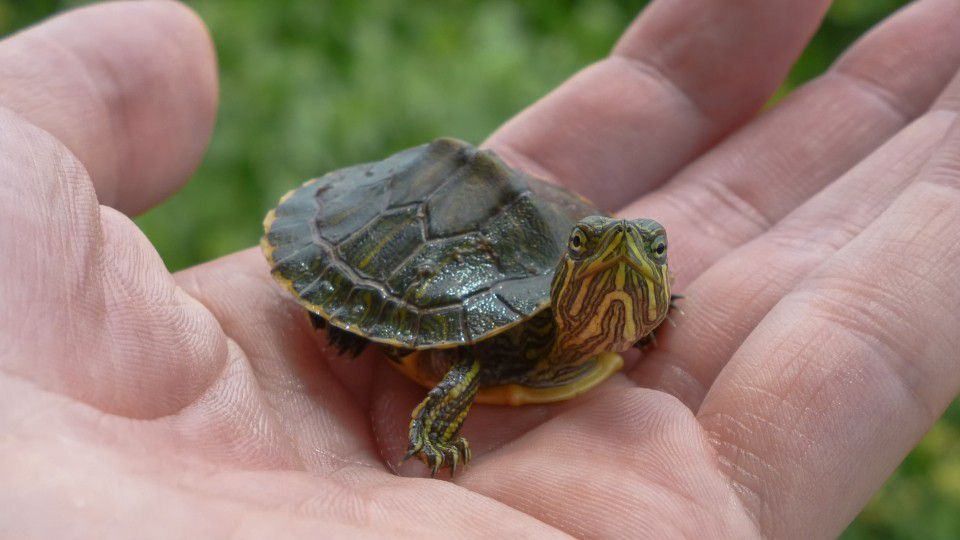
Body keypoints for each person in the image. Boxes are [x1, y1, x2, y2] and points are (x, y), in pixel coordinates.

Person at [2, 0, 958, 537]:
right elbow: (453, 363)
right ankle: (344, 309)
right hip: (397, 219)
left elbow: (631, 278)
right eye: (605, 253)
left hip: (541, 274)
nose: (630, 264)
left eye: (644, 262)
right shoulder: (502, 343)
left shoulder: (618, 311)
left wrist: (645, 307)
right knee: (400, 333)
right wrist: (435, 423)